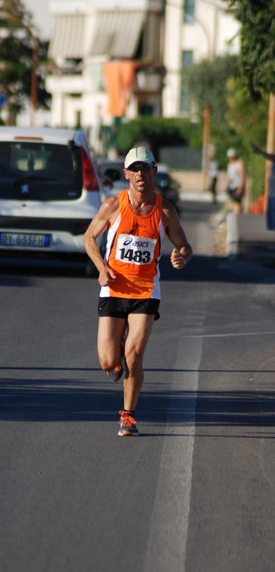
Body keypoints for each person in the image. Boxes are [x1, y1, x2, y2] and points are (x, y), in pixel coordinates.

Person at [83, 146, 193, 437]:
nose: (140, 174)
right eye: (135, 169)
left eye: (145, 168)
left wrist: (181, 255)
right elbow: (88, 237)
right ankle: (117, 344)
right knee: (109, 362)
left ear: (154, 171)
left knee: (134, 355)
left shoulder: (164, 209)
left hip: (146, 291)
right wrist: (100, 266)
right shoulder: (113, 206)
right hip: (113, 288)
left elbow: (185, 246)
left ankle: (128, 415)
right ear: (126, 174)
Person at [226, 148, 246, 214]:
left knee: (237, 203)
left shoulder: (239, 164)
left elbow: (243, 176)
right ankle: (235, 217)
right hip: (231, 186)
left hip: (237, 186)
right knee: (234, 203)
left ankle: (237, 218)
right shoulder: (229, 165)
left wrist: (241, 187)